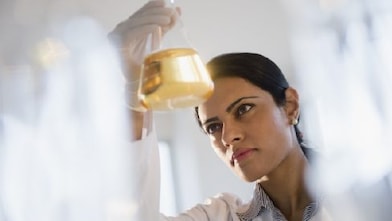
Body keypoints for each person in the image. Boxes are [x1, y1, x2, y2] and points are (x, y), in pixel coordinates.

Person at [109, 1, 332, 220]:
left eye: (244, 109)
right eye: (213, 127)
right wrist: (134, 101)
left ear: (290, 106)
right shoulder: (219, 215)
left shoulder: (356, 193)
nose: (227, 137)